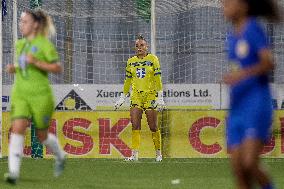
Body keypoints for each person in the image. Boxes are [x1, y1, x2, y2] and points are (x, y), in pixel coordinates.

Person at [223, 0, 281, 188]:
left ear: (243, 6)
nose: (224, 5)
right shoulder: (232, 37)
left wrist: (241, 75)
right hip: (236, 107)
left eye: (228, 2)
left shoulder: (253, 29)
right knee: (239, 169)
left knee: (249, 163)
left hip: (255, 104)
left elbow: (269, 62)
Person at [5, 9, 66, 184]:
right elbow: (24, 66)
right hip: (21, 94)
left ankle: (60, 155)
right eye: (21, 21)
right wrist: (14, 68)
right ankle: (13, 173)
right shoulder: (20, 44)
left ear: (36, 25)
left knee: (42, 136)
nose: (21, 24)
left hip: (41, 96)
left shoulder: (44, 45)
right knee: (17, 128)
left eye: (25, 21)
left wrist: (37, 62)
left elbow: (57, 68)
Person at [114, 35, 165, 162]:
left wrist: (160, 97)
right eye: (137, 46)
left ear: (146, 47)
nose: (139, 48)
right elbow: (127, 81)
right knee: (135, 125)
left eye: (142, 45)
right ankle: (134, 155)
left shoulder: (153, 59)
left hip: (150, 96)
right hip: (136, 96)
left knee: (153, 126)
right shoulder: (130, 61)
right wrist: (122, 97)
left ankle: (158, 153)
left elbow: (158, 78)